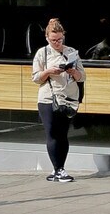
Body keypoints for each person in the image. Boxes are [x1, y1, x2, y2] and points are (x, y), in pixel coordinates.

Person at [32, 16, 85, 183]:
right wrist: (49, 71)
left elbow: (82, 76)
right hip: (48, 98)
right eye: (53, 40)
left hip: (68, 98)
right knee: (52, 133)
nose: (57, 43)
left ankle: (59, 168)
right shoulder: (42, 53)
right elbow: (36, 78)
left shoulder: (71, 52)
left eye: (60, 39)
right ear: (47, 38)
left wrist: (73, 72)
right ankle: (58, 170)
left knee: (63, 134)